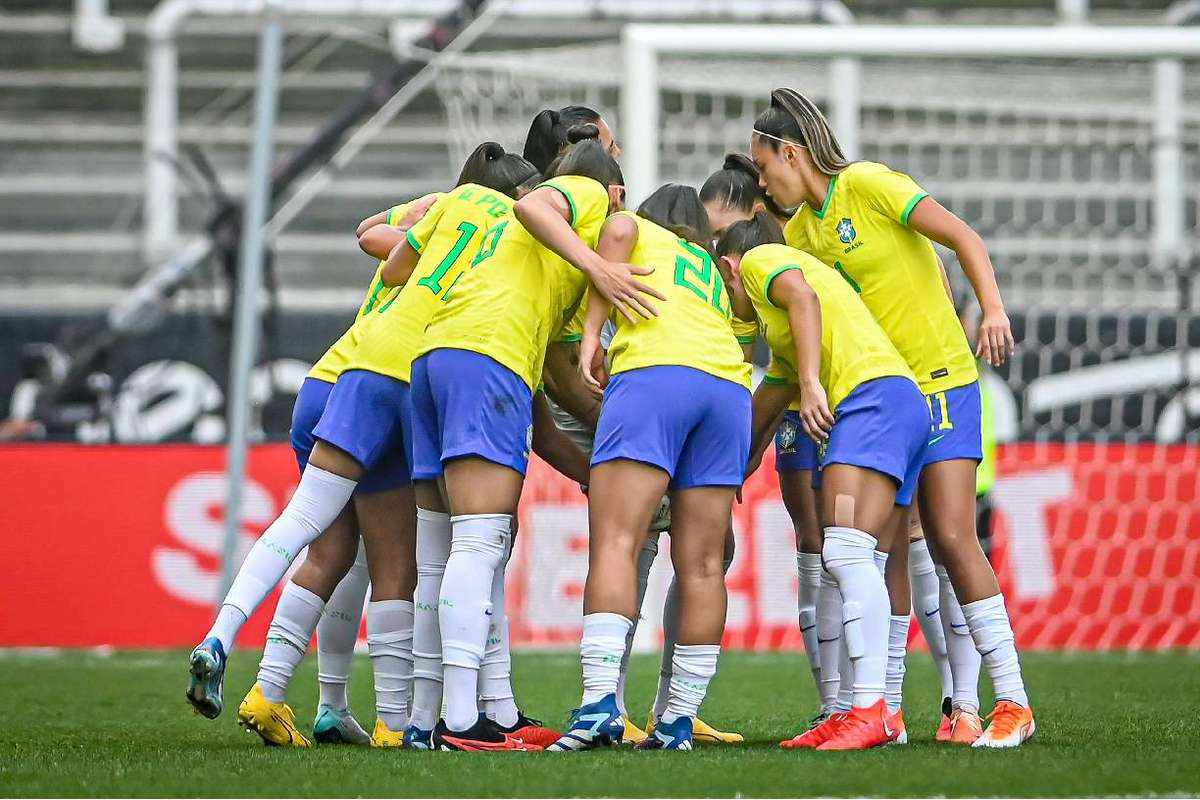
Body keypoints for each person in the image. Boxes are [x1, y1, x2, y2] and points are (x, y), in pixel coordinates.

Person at [185, 142, 542, 748]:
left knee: (325, 541)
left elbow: (377, 243)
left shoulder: (445, 215)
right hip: (407, 380)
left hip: (338, 372)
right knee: (398, 562)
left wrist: (431, 209)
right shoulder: (509, 245)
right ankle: (396, 718)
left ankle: (249, 659)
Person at [751, 87, 1033, 748]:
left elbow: (961, 237)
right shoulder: (798, 235)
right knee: (886, 547)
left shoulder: (870, 185)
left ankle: (1006, 701)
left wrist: (990, 308)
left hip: (942, 381)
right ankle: (893, 710)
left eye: (765, 167)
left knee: (952, 537)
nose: (763, 183)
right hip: (884, 398)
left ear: (791, 153)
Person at [409, 126, 660, 751]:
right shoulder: (587, 197)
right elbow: (532, 204)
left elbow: (552, 394)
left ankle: (436, 717)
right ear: (616, 189)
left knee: (451, 547)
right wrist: (601, 264)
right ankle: (461, 721)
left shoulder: (533, 259)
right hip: (485, 354)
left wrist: (591, 463)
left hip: (439, 357)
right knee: (478, 540)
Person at [548, 184, 751, 753]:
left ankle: (597, 709)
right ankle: (677, 721)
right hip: (728, 390)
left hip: (657, 376)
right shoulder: (710, 268)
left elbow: (615, 233)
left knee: (616, 540)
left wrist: (591, 333)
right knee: (705, 564)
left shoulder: (639, 230)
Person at [717, 213, 927, 750]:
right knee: (861, 556)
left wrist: (812, 383)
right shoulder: (787, 339)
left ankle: (869, 710)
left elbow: (803, 299)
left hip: (872, 402)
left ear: (729, 269)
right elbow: (767, 406)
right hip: (893, 403)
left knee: (845, 552)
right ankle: (868, 712)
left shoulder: (762, 258)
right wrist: (731, 466)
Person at [701, 154, 825, 721]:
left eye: (721, 233)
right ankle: (838, 707)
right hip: (793, 411)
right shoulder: (729, 281)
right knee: (814, 542)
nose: (714, 249)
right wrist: (739, 456)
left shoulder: (798, 245)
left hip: (852, 399)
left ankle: (952, 700)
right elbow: (765, 369)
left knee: (880, 548)